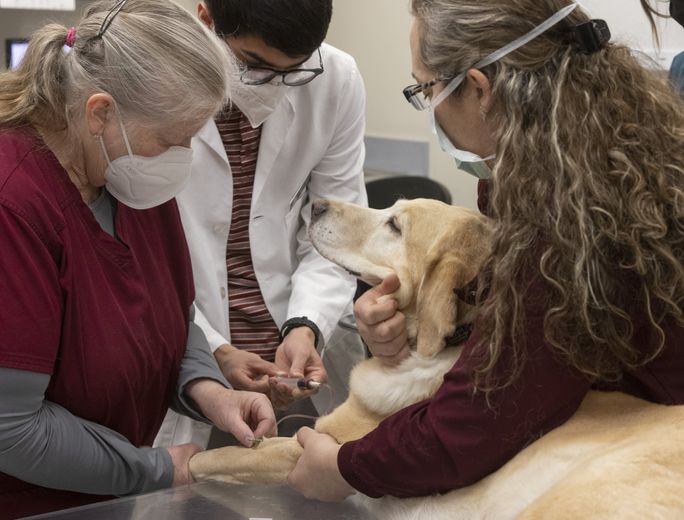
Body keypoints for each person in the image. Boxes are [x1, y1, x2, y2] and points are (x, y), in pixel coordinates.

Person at [288, 0, 684, 501]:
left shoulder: (561, 224)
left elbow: (480, 418)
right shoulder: (609, 158)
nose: (429, 106)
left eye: (425, 89)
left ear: (479, 88)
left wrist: (346, 467)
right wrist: (418, 317)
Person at [0, 1, 277, 518]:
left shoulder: (125, 173)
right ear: (100, 113)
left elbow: (167, 310)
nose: (183, 155)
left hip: (99, 495)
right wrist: (157, 470)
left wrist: (207, 389)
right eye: (174, 138)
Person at [155, 0, 368, 449]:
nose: (275, 87)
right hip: (181, 339)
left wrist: (305, 326)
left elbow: (336, 232)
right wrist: (214, 348)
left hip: (291, 344)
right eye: (254, 65)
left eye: (295, 71)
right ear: (206, 19)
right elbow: (138, 255)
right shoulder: (154, 81)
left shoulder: (336, 78)